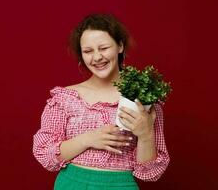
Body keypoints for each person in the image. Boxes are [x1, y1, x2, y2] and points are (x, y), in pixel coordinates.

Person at [33, 13, 169, 190]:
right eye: (88, 51)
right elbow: (45, 154)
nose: (97, 57)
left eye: (103, 48)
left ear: (120, 46)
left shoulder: (143, 98)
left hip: (120, 185)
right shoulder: (65, 98)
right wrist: (87, 139)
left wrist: (145, 134)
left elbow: (150, 173)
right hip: (72, 183)